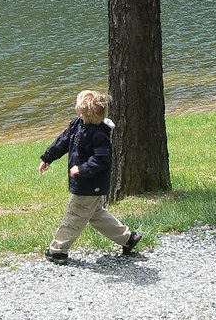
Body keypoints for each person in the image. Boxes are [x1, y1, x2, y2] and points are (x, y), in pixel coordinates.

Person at [38, 89, 141, 264]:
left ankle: (58, 250)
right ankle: (128, 239)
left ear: (84, 111)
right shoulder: (77, 124)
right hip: (85, 184)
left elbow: (101, 161)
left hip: (90, 185)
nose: (75, 107)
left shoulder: (99, 134)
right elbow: (62, 141)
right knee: (95, 214)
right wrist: (47, 158)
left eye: (77, 105)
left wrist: (82, 169)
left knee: (74, 216)